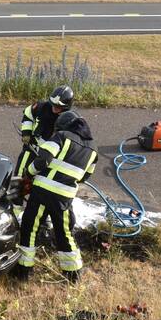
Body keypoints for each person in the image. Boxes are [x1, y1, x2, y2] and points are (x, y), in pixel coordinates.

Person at [15, 109, 97, 282]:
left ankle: (24, 271)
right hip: (64, 196)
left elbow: (43, 160)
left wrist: (28, 174)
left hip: (42, 191)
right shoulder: (93, 149)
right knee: (64, 232)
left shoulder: (62, 136)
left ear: (64, 126)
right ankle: (73, 274)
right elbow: (85, 176)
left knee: (30, 228)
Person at [15, 85, 74, 179]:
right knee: (20, 177)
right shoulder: (41, 107)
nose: (54, 108)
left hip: (49, 157)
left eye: (58, 107)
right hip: (31, 149)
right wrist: (26, 133)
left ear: (67, 107)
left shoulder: (69, 119)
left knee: (40, 181)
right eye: (53, 105)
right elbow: (28, 114)